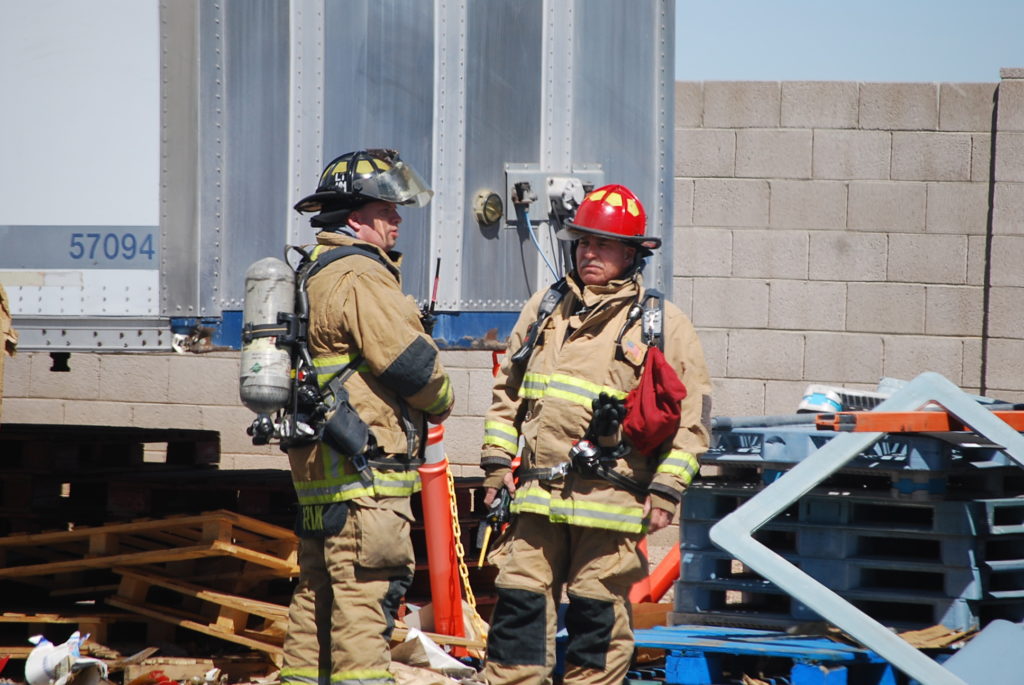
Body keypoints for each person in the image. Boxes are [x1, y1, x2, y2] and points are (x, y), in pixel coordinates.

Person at [479, 184, 712, 684]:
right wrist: (497, 464)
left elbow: (692, 422)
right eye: (583, 242)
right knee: (518, 612)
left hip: (610, 506)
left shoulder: (662, 325)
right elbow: (508, 394)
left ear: (631, 254)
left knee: (596, 625)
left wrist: (666, 491)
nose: (589, 252)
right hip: (537, 500)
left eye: (603, 244)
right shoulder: (547, 307)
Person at [281, 149, 454, 685]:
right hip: (366, 479)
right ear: (355, 217)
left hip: (321, 478)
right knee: (365, 599)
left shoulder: (312, 269)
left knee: (316, 598)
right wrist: (444, 398)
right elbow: (412, 367)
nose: (397, 218)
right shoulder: (360, 274)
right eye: (386, 209)